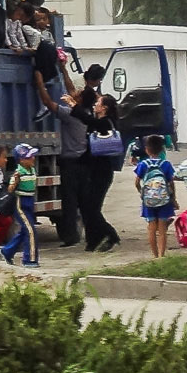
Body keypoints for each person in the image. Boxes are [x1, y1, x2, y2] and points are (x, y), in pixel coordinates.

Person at [35, 59, 84, 247]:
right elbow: (72, 90)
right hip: (84, 162)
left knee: (70, 202)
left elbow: (48, 102)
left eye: (77, 96)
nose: (73, 95)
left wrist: (39, 81)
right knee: (81, 199)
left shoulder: (70, 115)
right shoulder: (87, 113)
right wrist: (63, 68)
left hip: (71, 163)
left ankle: (71, 237)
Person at [67, 88, 122, 252]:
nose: (95, 105)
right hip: (93, 170)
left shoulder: (105, 123)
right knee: (87, 208)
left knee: (92, 208)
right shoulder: (100, 123)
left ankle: (110, 235)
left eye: (98, 103)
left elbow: (90, 121)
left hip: (102, 173)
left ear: (104, 107)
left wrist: (74, 106)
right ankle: (94, 241)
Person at [0, 143, 40, 268]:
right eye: (29, 157)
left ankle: (7, 251)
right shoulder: (18, 173)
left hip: (30, 202)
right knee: (31, 231)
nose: (33, 158)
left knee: (25, 230)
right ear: (21, 160)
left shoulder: (32, 169)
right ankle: (29, 260)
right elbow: (10, 189)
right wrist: (14, 183)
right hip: (20, 203)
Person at [135, 135, 177, 258]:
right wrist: (173, 199)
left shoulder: (143, 164)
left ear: (147, 149)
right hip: (164, 199)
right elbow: (171, 183)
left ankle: (154, 255)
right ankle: (162, 255)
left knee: (151, 228)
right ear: (162, 149)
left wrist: (142, 193)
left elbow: (137, 182)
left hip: (148, 200)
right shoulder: (166, 164)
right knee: (162, 229)